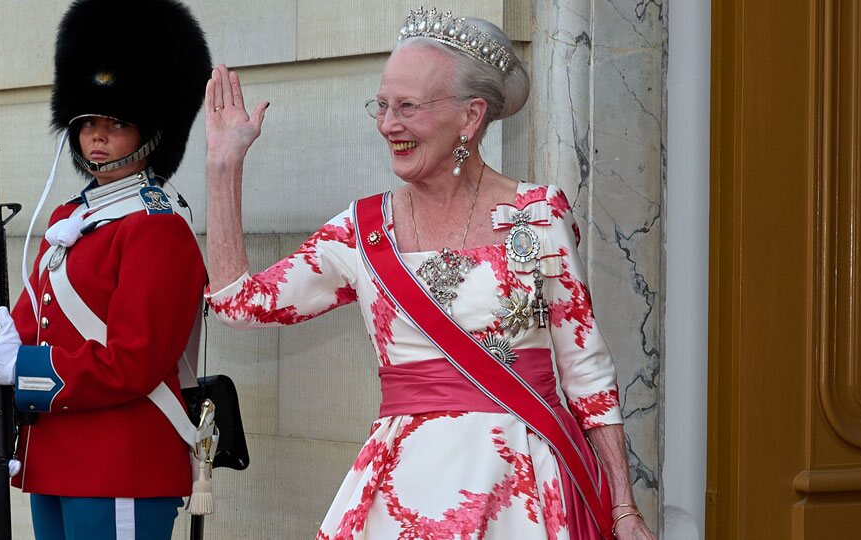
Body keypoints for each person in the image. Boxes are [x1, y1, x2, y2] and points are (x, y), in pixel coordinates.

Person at [204, 7, 655, 540]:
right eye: (383, 105)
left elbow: (587, 373)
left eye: (409, 107)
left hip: (526, 494)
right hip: (404, 493)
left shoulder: (538, 214)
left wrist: (623, 509)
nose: (389, 124)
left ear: (470, 117)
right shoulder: (362, 229)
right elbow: (239, 305)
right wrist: (223, 168)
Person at [0, 0, 211, 537]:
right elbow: (31, 323)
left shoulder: (156, 227)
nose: (97, 136)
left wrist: (22, 370)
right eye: (88, 122)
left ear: (150, 133)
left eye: (117, 123)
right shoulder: (69, 218)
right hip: (52, 461)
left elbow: (133, 362)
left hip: (122, 463)